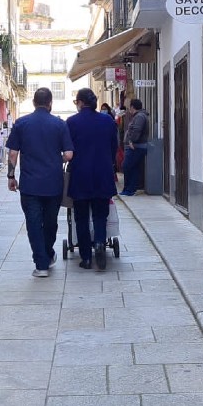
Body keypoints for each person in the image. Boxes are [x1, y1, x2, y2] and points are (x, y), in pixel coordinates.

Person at [6, 88, 74, 277]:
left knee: (33, 223)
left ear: (34, 103)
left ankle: (41, 264)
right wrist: (55, 159)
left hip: (29, 184)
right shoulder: (60, 124)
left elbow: (13, 153)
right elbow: (68, 154)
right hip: (53, 182)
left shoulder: (21, 123)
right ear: (50, 103)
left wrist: (11, 177)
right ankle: (48, 252)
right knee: (50, 222)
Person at [66, 88, 119, 270]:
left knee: (81, 218)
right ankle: (99, 243)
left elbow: (68, 151)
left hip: (80, 175)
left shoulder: (72, 122)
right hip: (103, 175)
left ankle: (86, 257)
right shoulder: (108, 121)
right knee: (100, 215)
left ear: (80, 102)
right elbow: (114, 148)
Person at [120, 98, 150, 196]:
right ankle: (131, 189)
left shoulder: (140, 117)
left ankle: (129, 189)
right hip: (137, 146)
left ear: (132, 107)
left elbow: (137, 130)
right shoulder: (139, 116)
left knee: (127, 166)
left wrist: (132, 141)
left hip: (136, 146)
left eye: (129, 107)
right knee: (133, 167)